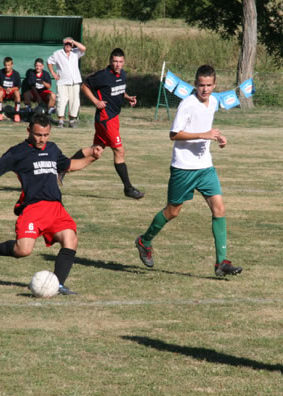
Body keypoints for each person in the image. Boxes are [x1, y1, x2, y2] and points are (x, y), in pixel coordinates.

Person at [0, 113, 103, 295]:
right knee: (23, 250)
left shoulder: (52, 149)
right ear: (28, 131)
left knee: (71, 239)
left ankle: (58, 284)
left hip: (55, 208)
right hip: (33, 208)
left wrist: (92, 157)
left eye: (46, 135)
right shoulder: (17, 152)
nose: (42, 139)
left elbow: (69, 165)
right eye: (38, 135)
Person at [134, 65, 242, 277]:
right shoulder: (187, 104)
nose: (205, 89)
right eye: (201, 85)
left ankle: (221, 262)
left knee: (219, 209)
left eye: (209, 85)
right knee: (172, 211)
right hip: (183, 168)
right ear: (195, 84)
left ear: (215, 85)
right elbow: (174, 134)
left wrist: (218, 137)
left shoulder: (214, 102)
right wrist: (204, 134)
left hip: (205, 167)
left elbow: (206, 128)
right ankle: (144, 241)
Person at [64, 48, 144, 200]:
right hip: (106, 119)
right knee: (119, 151)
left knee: (96, 151)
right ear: (110, 61)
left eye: (120, 61)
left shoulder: (123, 74)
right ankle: (128, 188)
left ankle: (63, 168)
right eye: (115, 61)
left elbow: (118, 90)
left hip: (113, 118)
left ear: (124, 62)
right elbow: (84, 86)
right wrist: (95, 101)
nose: (117, 64)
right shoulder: (103, 75)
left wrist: (127, 97)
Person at [47, 37, 86, 128]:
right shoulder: (57, 53)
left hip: (75, 82)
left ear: (72, 45)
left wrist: (73, 41)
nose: (68, 46)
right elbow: (49, 62)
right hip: (62, 82)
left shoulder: (75, 52)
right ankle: (60, 121)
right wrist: (53, 73)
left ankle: (71, 121)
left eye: (69, 44)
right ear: (64, 44)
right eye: (66, 44)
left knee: (74, 102)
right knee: (61, 101)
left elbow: (84, 48)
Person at [0, 57, 22, 122]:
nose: (7, 67)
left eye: (8, 65)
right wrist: (4, 89)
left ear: (12, 65)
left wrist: (11, 89)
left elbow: (18, 86)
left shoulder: (16, 74)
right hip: (3, 91)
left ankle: (17, 114)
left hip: (12, 92)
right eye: (5, 65)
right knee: (0, 92)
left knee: (17, 92)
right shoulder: (0, 73)